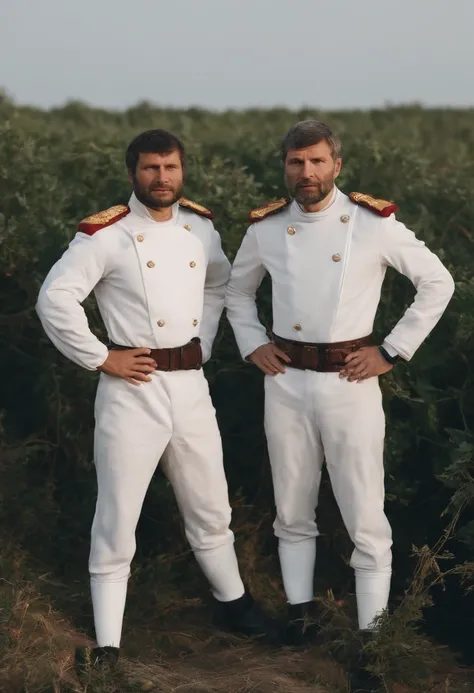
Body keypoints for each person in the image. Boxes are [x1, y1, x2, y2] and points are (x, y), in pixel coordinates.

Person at [36, 129, 278, 669]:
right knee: (118, 516)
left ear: (182, 170)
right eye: (150, 169)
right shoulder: (107, 235)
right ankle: (108, 643)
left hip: (191, 388)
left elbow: (219, 284)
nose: (161, 178)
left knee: (211, 506)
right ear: (133, 174)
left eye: (170, 168)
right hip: (132, 389)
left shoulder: (199, 226)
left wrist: (204, 341)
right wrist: (101, 357)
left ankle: (234, 606)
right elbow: (54, 299)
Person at [225, 121, 454, 687]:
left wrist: (391, 350)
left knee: (365, 519)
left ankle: (371, 646)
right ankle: (301, 618)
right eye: (297, 162)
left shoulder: (373, 223)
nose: (307, 173)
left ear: (337, 165)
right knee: (291, 509)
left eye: (318, 162)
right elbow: (236, 292)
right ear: (285, 166)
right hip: (287, 382)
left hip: (351, 382)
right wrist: (254, 344)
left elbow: (438, 281)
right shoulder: (267, 228)